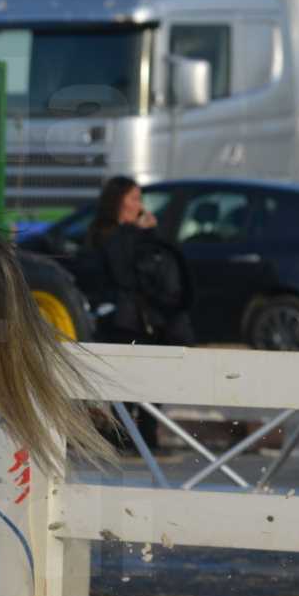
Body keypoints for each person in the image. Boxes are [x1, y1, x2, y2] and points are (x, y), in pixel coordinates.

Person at [79, 175, 195, 450]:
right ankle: (126, 434)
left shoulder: (133, 234)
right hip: (119, 320)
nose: (138, 205)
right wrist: (138, 233)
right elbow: (122, 272)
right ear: (117, 202)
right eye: (133, 199)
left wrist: (148, 234)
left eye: (139, 199)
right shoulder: (105, 234)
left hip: (144, 319)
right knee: (125, 380)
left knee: (149, 379)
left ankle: (142, 433)